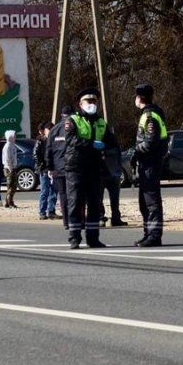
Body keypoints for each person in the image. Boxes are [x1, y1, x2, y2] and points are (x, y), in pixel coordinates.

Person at [63, 88, 110, 249]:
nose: (91, 104)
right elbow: (70, 140)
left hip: (94, 168)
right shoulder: (72, 120)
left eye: (94, 101)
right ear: (80, 103)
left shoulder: (101, 122)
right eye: (88, 101)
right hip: (76, 167)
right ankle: (74, 238)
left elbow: (110, 141)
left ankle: (93, 238)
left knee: (95, 204)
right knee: (75, 202)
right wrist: (91, 144)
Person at [132, 83, 169, 247]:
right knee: (144, 200)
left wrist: (135, 151)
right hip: (148, 162)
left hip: (150, 162)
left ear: (140, 98)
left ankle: (154, 235)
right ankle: (148, 233)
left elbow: (150, 142)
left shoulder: (149, 116)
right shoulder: (151, 114)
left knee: (151, 201)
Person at [44, 105, 74, 230]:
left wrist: (50, 168)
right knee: (74, 195)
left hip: (58, 169)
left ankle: (66, 222)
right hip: (72, 167)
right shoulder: (75, 127)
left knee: (63, 195)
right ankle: (75, 221)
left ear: (61, 115)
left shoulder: (54, 130)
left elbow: (48, 151)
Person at [101, 127, 128, 228]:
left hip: (101, 172)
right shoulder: (113, 138)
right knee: (115, 199)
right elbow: (118, 155)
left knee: (99, 198)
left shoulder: (97, 140)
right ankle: (116, 218)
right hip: (114, 172)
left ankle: (101, 218)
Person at [33, 121, 58, 220]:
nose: (51, 131)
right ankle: (42, 212)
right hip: (44, 169)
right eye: (49, 130)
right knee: (45, 190)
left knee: (54, 191)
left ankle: (51, 211)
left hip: (53, 169)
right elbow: (35, 154)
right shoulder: (41, 141)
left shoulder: (55, 141)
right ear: (44, 131)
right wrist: (41, 165)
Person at [2, 129, 20, 208]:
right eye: (14, 136)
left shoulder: (12, 145)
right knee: (11, 186)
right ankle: (9, 202)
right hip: (9, 168)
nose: (15, 137)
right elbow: (7, 159)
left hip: (13, 167)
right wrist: (10, 168)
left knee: (13, 185)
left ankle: (8, 201)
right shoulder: (7, 146)